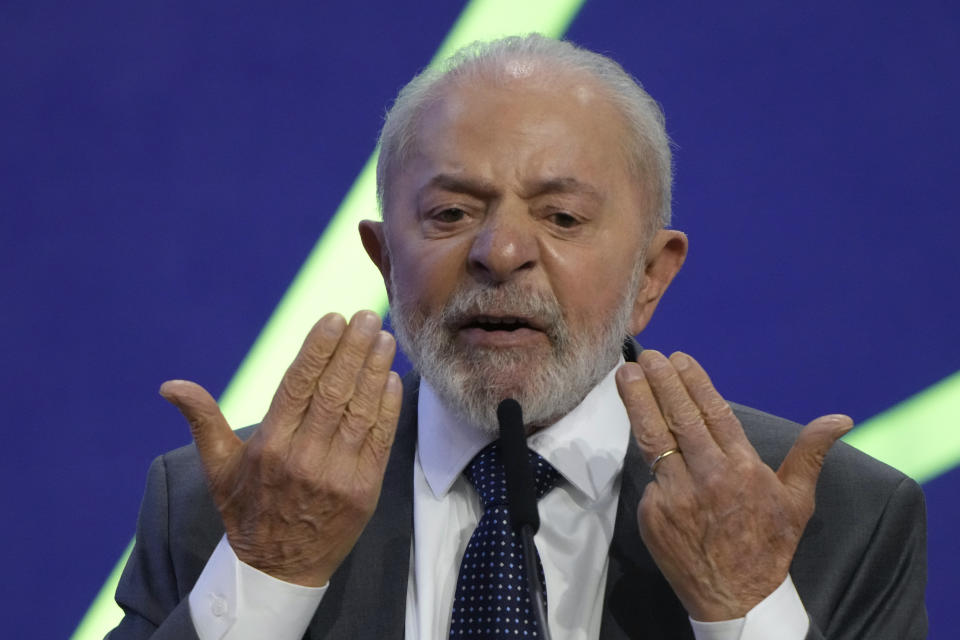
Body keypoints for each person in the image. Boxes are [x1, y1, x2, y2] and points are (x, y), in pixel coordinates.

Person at [107, 35, 927, 640]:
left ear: (651, 277)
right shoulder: (229, 510)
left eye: (563, 217)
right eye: (451, 213)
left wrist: (745, 607)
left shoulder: (838, 521)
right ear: (385, 262)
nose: (499, 253)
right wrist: (266, 578)